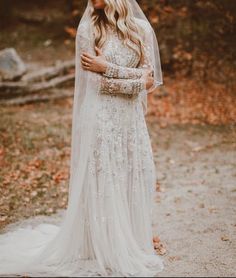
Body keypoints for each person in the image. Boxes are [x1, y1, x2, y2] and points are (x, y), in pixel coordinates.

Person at [0, 0, 163, 276]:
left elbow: (151, 80)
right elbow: (101, 84)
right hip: (100, 116)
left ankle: (130, 242)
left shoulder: (141, 29)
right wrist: (129, 79)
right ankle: (104, 245)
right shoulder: (89, 29)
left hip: (131, 121)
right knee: (105, 180)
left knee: (133, 175)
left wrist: (107, 66)